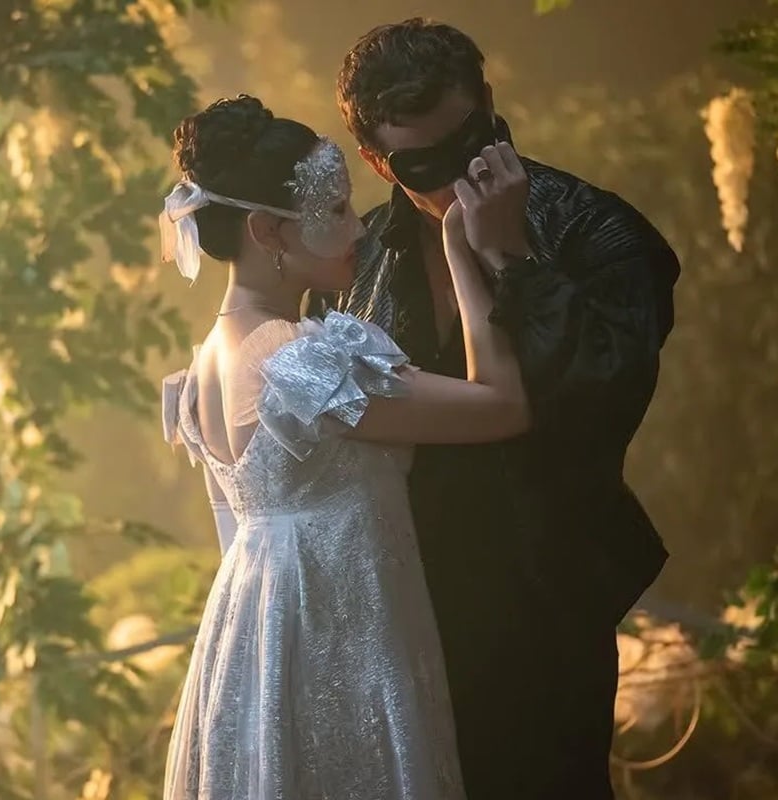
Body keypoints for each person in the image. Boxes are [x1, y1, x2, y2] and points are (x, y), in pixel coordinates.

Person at [322, 17, 681, 800]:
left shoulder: (597, 231)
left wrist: (512, 258)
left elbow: (605, 394)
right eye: (424, 163)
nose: (458, 177)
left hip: (544, 591)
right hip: (406, 598)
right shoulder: (356, 259)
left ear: (489, 105)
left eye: (471, 142)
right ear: (376, 160)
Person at [158, 93, 529, 799]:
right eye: (332, 210)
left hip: (256, 641)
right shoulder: (300, 361)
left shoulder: (206, 364)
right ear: (267, 231)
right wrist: (465, 247)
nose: (358, 226)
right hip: (340, 637)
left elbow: (233, 534)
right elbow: (502, 406)